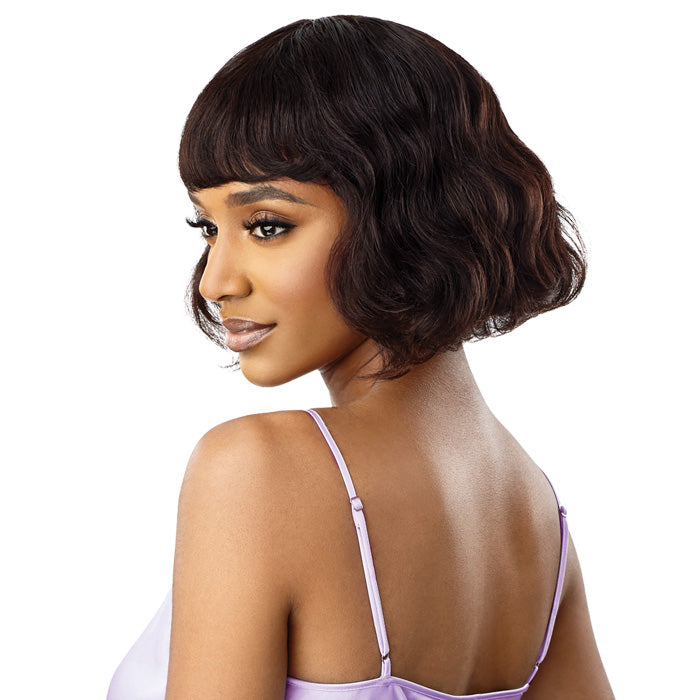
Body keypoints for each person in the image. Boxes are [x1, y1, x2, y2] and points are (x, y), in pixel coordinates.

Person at [107, 15, 615, 700]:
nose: (215, 281)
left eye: (267, 226)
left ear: (407, 217)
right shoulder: (537, 514)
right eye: (208, 227)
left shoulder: (259, 468)